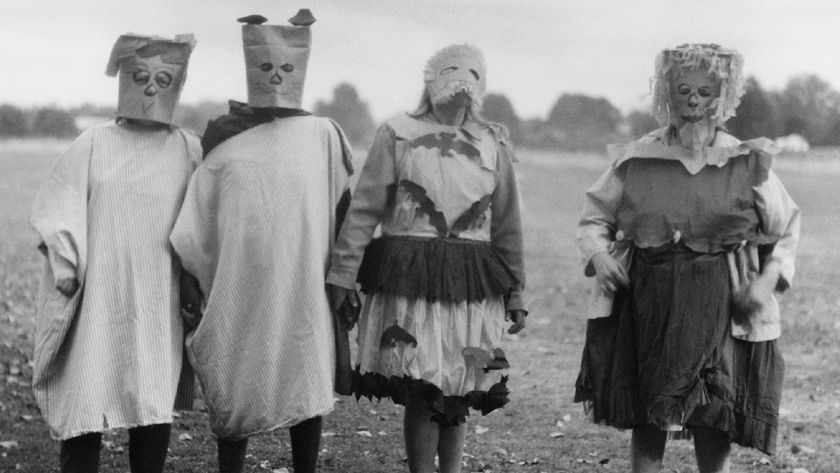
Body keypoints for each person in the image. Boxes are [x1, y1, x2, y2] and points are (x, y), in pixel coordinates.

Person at [574, 43, 800, 473]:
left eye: (705, 92)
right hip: (650, 300)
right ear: (667, 94)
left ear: (723, 97)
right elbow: (594, 218)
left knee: (714, 409)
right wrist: (600, 256)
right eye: (684, 91)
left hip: (720, 300)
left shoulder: (744, 160)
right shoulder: (639, 157)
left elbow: (785, 226)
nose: (694, 102)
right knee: (649, 409)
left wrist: (768, 279)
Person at [326, 43, 528, 473]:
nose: (461, 81)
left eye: (472, 73)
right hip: (411, 278)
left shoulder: (492, 143)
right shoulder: (397, 133)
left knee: (460, 385)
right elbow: (365, 210)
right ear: (431, 79)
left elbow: (507, 222)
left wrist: (516, 291)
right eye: (451, 71)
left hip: (472, 283)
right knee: (423, 382)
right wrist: (343, 274)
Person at [169, 10, 353, 473]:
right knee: (235, 375)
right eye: (266, 66)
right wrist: (192, 278)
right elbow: (202, 207)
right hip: (239, 279)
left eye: (286, 68)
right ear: (251, 67)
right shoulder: (223, 133)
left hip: (302, 280)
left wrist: (348, 278)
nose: (275, 76)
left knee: (305, 374)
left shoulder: (321, 135)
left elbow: (342, 207)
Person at [30, 33, 200, 473]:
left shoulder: (186, 149)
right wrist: (65, 261)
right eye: (141, 76)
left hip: (156, 299)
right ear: (125, 78)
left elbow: (206, 216)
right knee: (86, 397)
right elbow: (58, 205)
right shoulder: (93, 143)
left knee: (150, 402)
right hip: (98, 298)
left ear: (177, 85)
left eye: (163, 79)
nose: (150, 89)